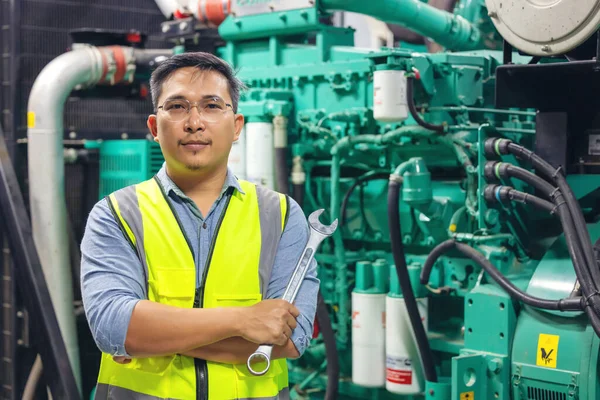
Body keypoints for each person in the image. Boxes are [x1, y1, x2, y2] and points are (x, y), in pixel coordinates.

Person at [80, 52, 319, 400]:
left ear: (236, 126)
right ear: (153, 128)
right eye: (177, 106)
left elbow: (290, 339)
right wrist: (242, 321)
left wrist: (153, 338)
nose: (194, 122)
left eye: (211, 106)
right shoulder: (116, 215)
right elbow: (114, 327)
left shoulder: (281, 215)